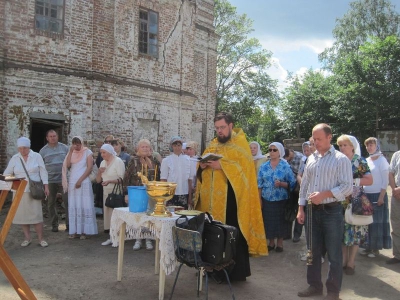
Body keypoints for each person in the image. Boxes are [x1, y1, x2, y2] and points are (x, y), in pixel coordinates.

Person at [195, 112, 267, 282]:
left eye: (222, 127)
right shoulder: (213, 144)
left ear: (230, 126)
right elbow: (201, 167)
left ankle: (235, 273)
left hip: (233, 201)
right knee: (212, 235)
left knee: (231, 235)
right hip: (212, 202)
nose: (219, 131)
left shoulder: (240, 144)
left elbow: (245, 171)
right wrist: (202, 165)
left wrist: (223, 165)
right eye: (217, 128)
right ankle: (213, 270)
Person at [297, 124, 353, 300]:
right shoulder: (311, 159)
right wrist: (301, 208)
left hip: (332, 211)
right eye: (314, 139)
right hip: (312, 212)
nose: (316, 142)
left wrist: (324, 195)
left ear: (330, 137)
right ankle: (314, 285)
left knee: (334, 254)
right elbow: (304, 185)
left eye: (319, 139)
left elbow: (347, 187)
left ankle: (333, 291)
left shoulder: (340, 159)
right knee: (312, 252)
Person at [4, 137, 50, 247]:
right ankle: (27, 238)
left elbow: (43, 171)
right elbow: (7, 173)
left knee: (36, 215)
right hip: (20, 191)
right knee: (23, 216)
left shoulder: (36, 156)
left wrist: (46, 186)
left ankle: (41, 239)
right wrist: (14, 181)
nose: (22, 150)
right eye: (20, 148)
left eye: (24, 148)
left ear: (29, 147)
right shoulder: (15, 158)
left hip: (34, 190)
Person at [337, 135, 372, 275]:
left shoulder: (359, 161)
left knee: (355, 231)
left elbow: (369, 180)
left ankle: (351, 262)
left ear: (352, 146)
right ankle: (344, 260)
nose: (342, 148)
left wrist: (352, 181)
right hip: (340, 201)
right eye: (340, 145)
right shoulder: (338, 161)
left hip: (355, 201)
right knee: (342, 232)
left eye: (345, 145)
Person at [258, 142, 296, 252]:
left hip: (282, 199)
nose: (272, 152)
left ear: (280, 152)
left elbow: (292, 183)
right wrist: (259, 199)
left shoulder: (285, 166)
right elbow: (259, 184)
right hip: (267, 199)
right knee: (269, 221)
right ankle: (271, 243)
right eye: (270, 150)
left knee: (281, 222)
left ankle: (280, 243)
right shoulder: (264, 166)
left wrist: (282, 184)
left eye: (275, 150)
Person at [123, 139, 160, 251]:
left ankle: (148, 238)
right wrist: (126, 194)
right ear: (138, 149)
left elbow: (158, 177)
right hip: (137, 193)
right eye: (142, 147)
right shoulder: (133, 161)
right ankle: (138, 238)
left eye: (146, 147)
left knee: (148, 216)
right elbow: (126, 178)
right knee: (138, 216)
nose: (144, 149)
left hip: (150, 193)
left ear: (150, 149)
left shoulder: (154, 161)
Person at [62, 136, 98, 239]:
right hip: (73, 180)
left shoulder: (88, 152)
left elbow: (89, 168)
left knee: (83, 205)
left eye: (78, 144)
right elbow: (68, 165)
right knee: (74, 205)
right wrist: (70, 151)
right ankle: (74, 231)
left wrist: (80, 180)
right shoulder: (71, 152)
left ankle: (84, 231)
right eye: (74, 144)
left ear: (81, 143)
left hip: (83, 181)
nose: (76, 146)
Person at [362, 137, 391, 258]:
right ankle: (368, 247)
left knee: (376, 223)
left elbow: (386, 180)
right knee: (366, 223)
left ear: (376, 145)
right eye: (367, 145)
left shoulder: (382, 160)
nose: (369, 147)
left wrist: (381, 196)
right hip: (366, 195)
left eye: (371, 145)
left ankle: (376, 248)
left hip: (378, 195)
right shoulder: (366, 160)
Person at [39, 129, 69, 233]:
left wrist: (67, 176)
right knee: (51, 203)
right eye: (50, 136)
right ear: (47, 138)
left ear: (57, 137)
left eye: (54, 136)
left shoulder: (65, 148)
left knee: (67, 202)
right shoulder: (43, 151)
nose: (53, 138)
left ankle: (69, 225)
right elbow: (40, 167)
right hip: (50, 181)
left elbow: (70, 162)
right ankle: (54, 225)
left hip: (63, 180)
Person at [98, 144, 126, 246]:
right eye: (101, 153)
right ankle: (111, 237)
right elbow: (98, 180)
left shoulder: (118, 162)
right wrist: (99, 172)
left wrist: (110, 181)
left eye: (104, 152)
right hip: (106, 192)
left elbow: (122, 179)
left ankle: (118, 238)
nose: (102, 155)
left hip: (116, 192)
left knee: (116, 215)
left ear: (109, 152)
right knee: (109, 215)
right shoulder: (102, 163)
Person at [160, 136, 192, 209]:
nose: (177, 148)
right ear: (172, 147)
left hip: (184, 192)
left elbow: (189, 179)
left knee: (183, 216)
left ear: (182, 146)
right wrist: (163, 197)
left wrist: (190, 196)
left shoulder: (188, 160)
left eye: (179, 145)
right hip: (171, 194)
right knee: (171, 215)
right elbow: (163, 179)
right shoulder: (166, 161)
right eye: (175, 145)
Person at [386, 149, 400, 264]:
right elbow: (390, 173)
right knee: (396, 224)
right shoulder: (397, 154)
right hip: (397, 195)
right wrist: (394, 189)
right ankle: (398, 255)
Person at [186, 141, 200, 209]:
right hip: (185, 187)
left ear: (195, 150)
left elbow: (198, 175)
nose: (188, 151)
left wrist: (195, 186)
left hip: (194, 187)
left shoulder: (197, 161)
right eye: (187, 149)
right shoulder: (185, 159)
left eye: (190, 149)